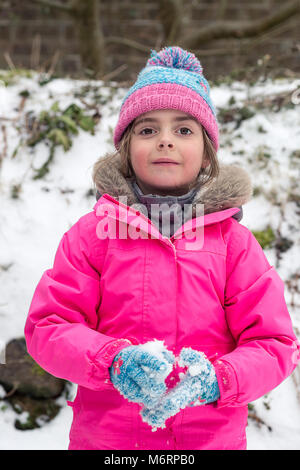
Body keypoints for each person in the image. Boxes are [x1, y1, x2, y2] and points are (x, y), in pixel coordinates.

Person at [24, 46, 300, 450]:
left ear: (206, 153)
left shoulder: (234, 244)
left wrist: (218, 377)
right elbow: (49, 327)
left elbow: (273, 343)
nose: (165, 141)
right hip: (109, 442)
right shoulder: (93, 235)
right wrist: (111, 360)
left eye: (184, 130)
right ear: (126, 148)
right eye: (148, 129)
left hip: (210, 440)